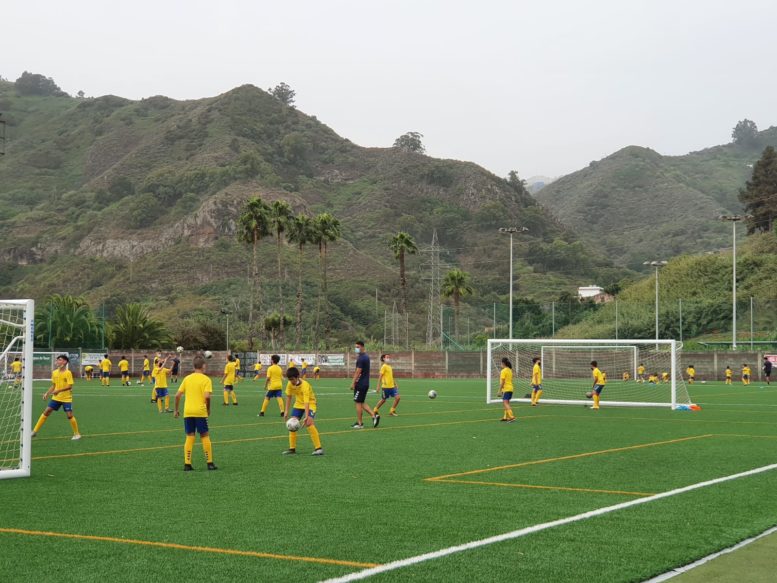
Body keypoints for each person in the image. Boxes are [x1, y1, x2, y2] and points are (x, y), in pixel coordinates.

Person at [174, 354, 216, 471]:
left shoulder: (187, 378)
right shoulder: (206, 379)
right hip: (200, 411)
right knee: (204, 435)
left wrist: (176, 410)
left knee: (189, 436)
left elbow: (177, 395)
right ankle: (210, 463)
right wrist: (208, 409)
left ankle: (187, 464)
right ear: (203, 366)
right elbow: (207, 397)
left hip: (188, 411)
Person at [32, 354, 81, 440]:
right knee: (46, 412)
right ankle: (34, 431)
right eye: (57, 360)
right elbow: (54, 385)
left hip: (66, 398)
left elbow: (70, 386)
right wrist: (47, 393)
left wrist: (58, 391)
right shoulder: (54, 372)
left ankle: (77, 434)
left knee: (69, 415)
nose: (58, 361)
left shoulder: (68, 373)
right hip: (56, 398)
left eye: (60, 360)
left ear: (65, 362)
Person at [282, 366, 324, 456]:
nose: (291, 382)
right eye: (289, 380)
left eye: (292, 379)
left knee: (309, 422)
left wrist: (306, 416)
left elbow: (306, 401)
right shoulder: (290, 384)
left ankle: (318, 448)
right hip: (298, 404)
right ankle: (292, 448)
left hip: (310, 403)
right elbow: (288, 397)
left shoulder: (305, 385)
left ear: (297, 377)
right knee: (292, 423)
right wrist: (286, 411)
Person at [351, 341, 379, 429]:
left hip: (360, 384)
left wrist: (353, 383)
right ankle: (374, 415)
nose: (356, 348)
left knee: (358, 403)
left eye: (358, 347)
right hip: (365, 383)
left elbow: (358, 371)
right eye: (355, 347)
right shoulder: (365, 357)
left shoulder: (361, 358)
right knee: (361, 402)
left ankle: (360, 423)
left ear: (362, 347)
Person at [498, 357, 516, 422]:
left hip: (506, 389)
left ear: (503, 363)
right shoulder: (509, 370)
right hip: (510, 388)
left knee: (505, 403)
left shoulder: (503, 371)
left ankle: (511, 416)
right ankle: (505, 417)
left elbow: (502, 382)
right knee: (506, 402)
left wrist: (499, 390)